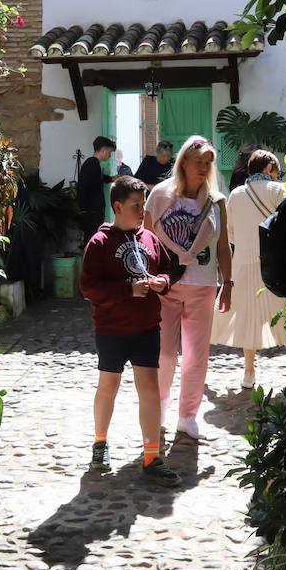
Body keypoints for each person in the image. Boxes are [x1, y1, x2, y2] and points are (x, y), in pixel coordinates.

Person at [79, 175, 181, 487]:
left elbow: (169, 268)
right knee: (108, 385)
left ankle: (152, 456)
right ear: (118, 206)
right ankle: (100, 443)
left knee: (149, 388)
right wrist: (127, 290)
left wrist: (162, 283)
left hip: (146, 326)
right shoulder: (98, 243)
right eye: (136, 205)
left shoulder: (150, 239)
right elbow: (88, 287)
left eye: (144, 203)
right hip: (111, 329)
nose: (142, 210)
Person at [146, 136, 232, 442]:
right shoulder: (159, 195)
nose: (204, 167)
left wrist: (228, 284)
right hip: (166, 287)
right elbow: (145, 241)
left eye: (208, 162)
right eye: (199, 161)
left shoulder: (217, 201)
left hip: (203, 286)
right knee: (165, 354)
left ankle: (188, 415)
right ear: (183, 162)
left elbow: (223, 246)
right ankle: (159, 407)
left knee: (197, 355)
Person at [212, 150, 286, 389]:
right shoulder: (278, 191)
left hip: (243, 263)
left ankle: (249, 371)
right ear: (268, 168)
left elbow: (231, 232)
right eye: (276, 170)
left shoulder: (236, 194)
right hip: (273, 263)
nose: (277, 175)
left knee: (246, 317)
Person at [76, 136, 116, 243]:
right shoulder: (93, 164)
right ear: (103, 150)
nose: (110, 155)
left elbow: (98, 180)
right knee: (92, 241)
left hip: (91, 212)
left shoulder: (91, 164)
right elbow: (89, 186)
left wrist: (112, 178)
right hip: (92, 212)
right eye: (109, 152)